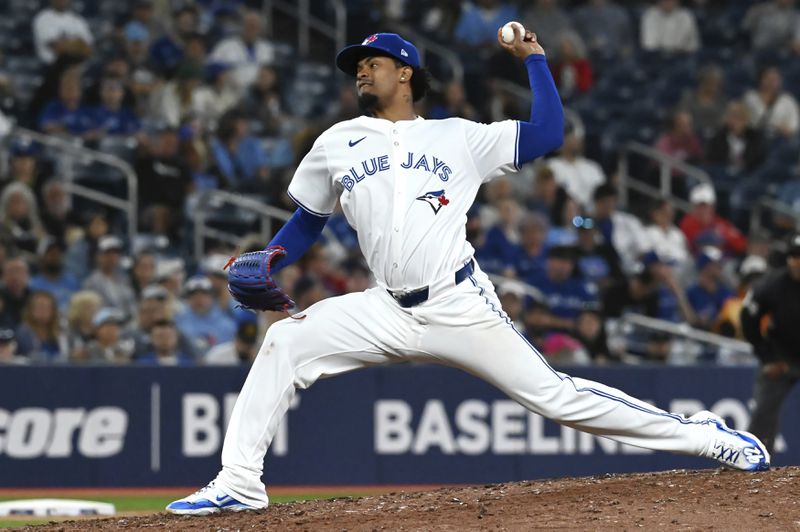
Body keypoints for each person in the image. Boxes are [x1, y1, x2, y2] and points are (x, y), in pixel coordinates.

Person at [168, 30, 769, 516]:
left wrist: (534, 61)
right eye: (356, 65)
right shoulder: (337, 141)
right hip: (384, 307)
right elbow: (307, 220)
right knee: (286, 341)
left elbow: (549, 134)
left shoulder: (459, 138)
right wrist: (273, 255)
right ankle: (240, 482)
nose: (360, 71)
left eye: (371, 62)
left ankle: (703, 435)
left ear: (405, 72)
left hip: (458, 303)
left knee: (557, 398)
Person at [742, 233, 800, 454]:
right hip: (781, 356)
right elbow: (748, 318)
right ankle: (755, 461)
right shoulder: (773, 284)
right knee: (764, 413)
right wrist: (767, 356)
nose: (798, 261)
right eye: (794, 256)